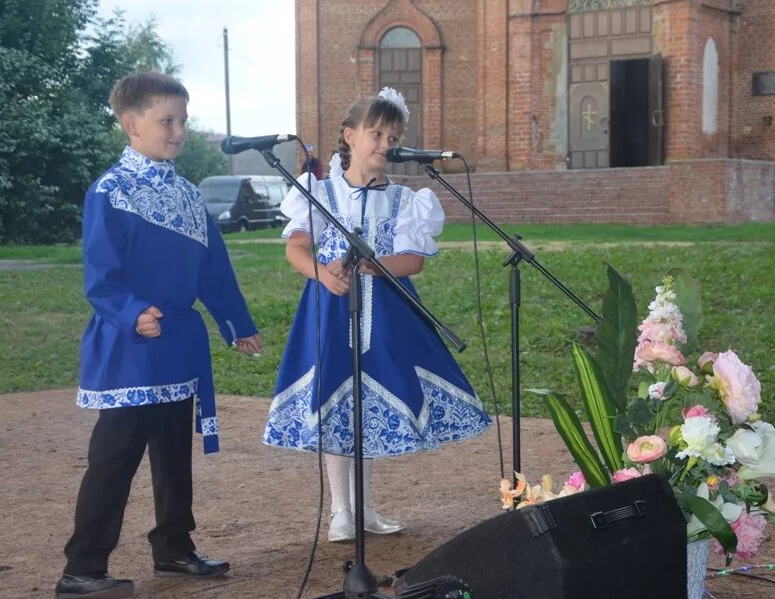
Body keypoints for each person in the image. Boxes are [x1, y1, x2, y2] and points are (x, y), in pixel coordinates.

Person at [56, 72, 263, 598]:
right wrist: (131, 314)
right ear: (131, 124)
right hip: (132, 346)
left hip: (178, 345)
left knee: (173, 451)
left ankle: (173, 546)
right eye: (166, 121)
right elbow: (100, 277)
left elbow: (215, 270)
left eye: (183, 122)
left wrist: (236, 323)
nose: (178, 132)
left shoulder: (191, 198)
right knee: (116, 456)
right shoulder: (109, 192)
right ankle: (82, 567)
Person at [262, 88, 491, 543]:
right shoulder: (320, 191)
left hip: (385, 312)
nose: (385, 143)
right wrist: (321, 274)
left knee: (367, 404)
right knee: (335, 396)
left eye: (394, 135)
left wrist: (381, 265)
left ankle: (364, 507)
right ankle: (340, 511)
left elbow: (414, 260)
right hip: (329, 308)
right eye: (376, 133)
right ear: (350, 136)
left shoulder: (406, 200)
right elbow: (295, 247)